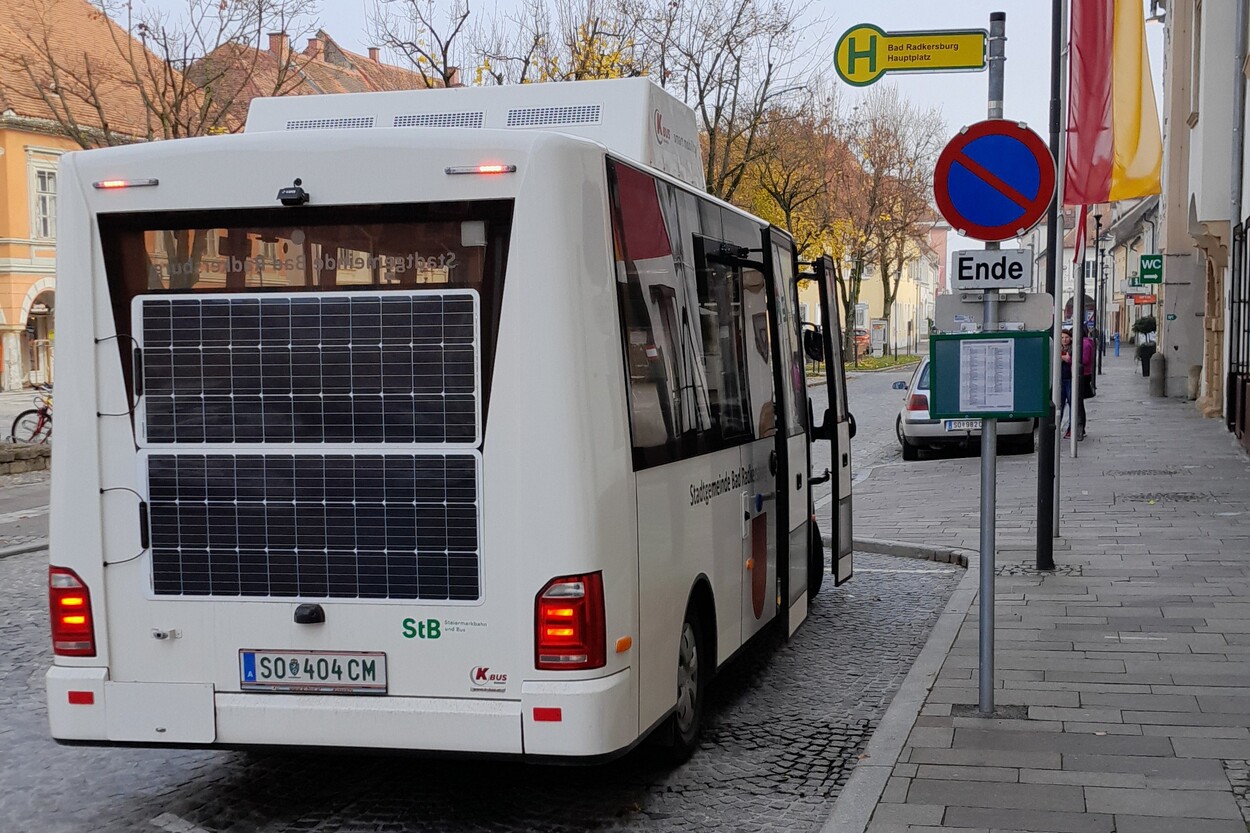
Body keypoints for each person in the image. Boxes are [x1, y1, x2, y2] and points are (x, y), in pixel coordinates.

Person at [1059, 327, 1092, 440]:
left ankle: (1073, 429)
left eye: (1067, 337)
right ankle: (1057, 428)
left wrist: (1067, 359)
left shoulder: (1077, 346)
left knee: (1074, 404)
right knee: (1060, 405)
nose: (1064, 339)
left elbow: (1082, 360)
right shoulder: (1057, 348)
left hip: (1071, 378)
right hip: (1060, 380)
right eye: (1062, 337)